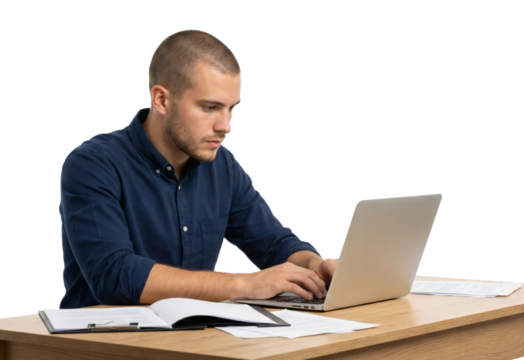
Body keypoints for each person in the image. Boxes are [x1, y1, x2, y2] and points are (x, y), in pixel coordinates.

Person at [58, 29, 338, 309]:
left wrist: (315, 266)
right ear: (162, 100)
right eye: (210, 107)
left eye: (231, 109)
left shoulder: (222, 165)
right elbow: (114, 275)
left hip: (189, 339)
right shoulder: (93, 163)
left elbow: (274, 243)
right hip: (101, 343)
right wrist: (246, 284)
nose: (226, 126)